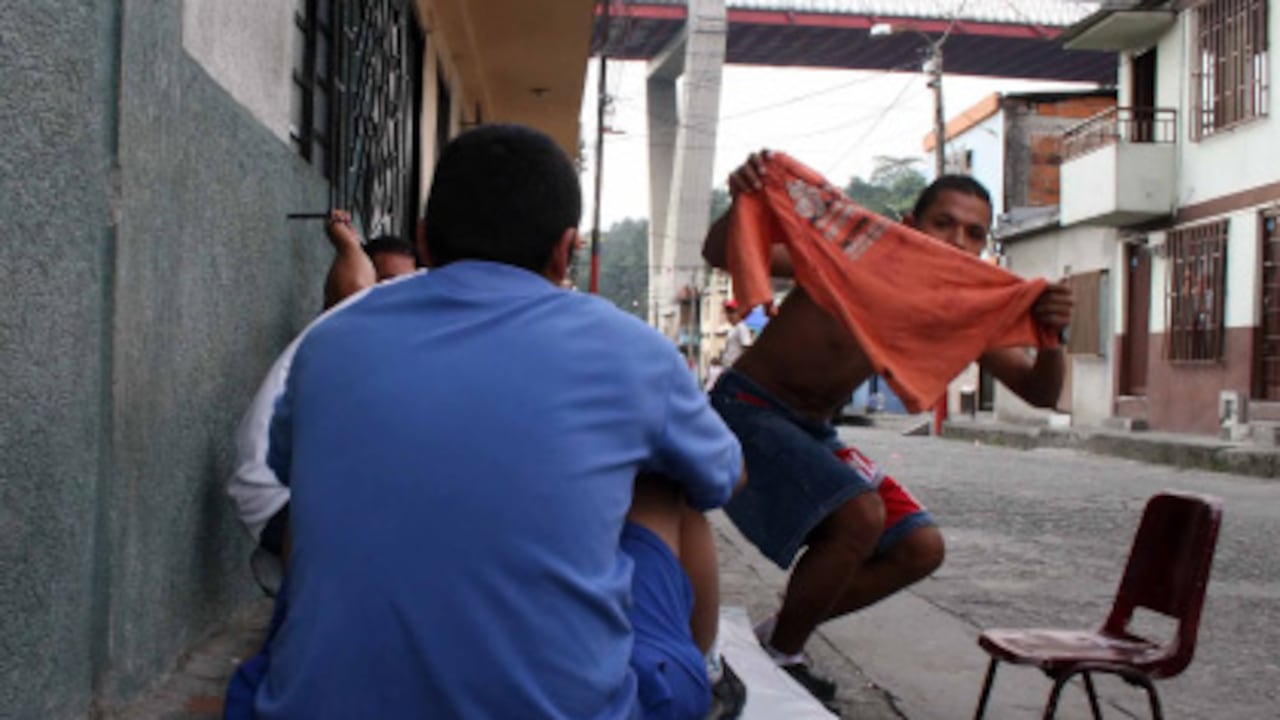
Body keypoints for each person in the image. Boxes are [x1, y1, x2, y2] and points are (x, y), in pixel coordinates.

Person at [226, 124, 745, 720]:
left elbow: (288, 469)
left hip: (308, 706)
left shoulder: (332, 339)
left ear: (424, 240)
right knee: (668, 480)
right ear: (565, 249)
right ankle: (699, 674)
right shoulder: (634, 350)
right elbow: (724, 479)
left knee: (329, 490)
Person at [700, 151, 1073, 703]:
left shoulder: (962, 308)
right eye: (942, 222)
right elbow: (719, 251)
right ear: (909, 226)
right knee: (860, 515)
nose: (956, 240)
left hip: (812, 430)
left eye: (973, 233)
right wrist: (743, 197)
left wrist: (1052, 335)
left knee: (920, 545)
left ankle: (776, 640)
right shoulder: (854, 252)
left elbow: (1040, 391)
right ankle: (782, 656)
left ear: (985, 249)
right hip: (748, 406)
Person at [227, 211, 420, 597]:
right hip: (285, 506)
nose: (388, 294)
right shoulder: (354, 324)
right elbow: (353, 293)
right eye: (382, 283)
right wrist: (348, 245)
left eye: (402, 284)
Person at [720, 299, 754, 367]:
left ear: (739, 312)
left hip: (736, 368)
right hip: (729, 367)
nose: (729, 316)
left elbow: (747, 348)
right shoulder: (733, 329)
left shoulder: (742, 327)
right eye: (728, 312)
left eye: (732, 312)